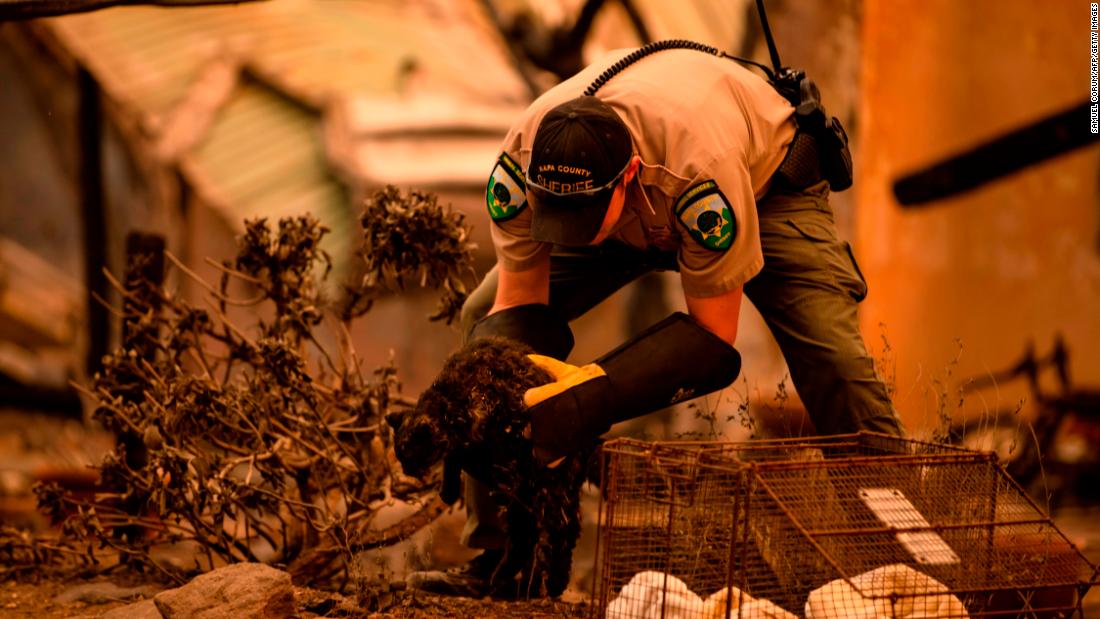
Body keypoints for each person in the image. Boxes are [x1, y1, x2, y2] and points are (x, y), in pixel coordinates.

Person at [407, 45, 904, 597]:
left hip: (762, 192)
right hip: (627, 214)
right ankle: (503, 561)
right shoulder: (519, 169)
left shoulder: (701, 170)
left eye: (582, 218)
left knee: (834, 361)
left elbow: (713, 336)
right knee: (484, 321)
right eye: (559, 218)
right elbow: (521, 305)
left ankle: (907, 555)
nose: (572, 231)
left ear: (628, 178)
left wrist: (589, 396)